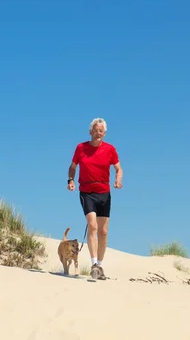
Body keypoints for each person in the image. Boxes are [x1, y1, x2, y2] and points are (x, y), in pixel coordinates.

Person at [67, 117, 123, 280]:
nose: (98, 133)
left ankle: (100, 264)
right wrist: (71, 180)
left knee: (103, 231)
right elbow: (73, 166)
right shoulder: (81, 148)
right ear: (90, 132)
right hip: (87, 192)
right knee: (92, 226)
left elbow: (119, 169)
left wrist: (118, 180)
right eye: (95, 130)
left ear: (104, 133)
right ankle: (94, 265)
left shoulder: (110, 149)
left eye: (101, 131)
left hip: (104, 193)